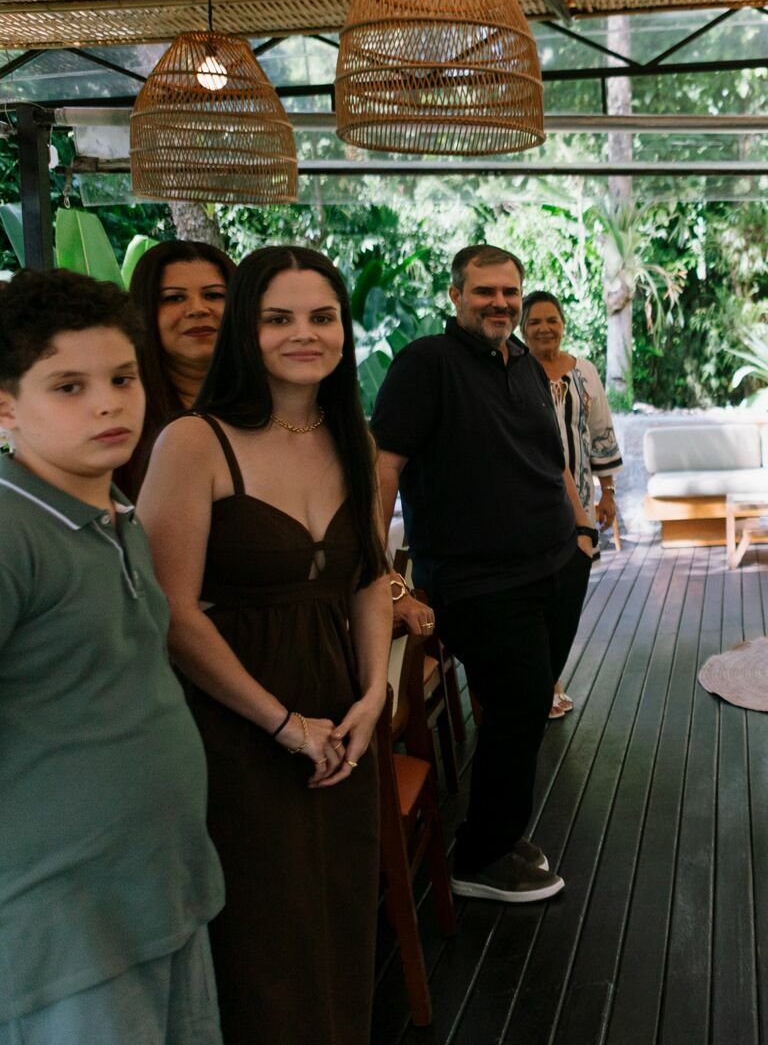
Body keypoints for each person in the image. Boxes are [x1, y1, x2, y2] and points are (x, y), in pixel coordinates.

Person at [140, 248, 389, 1044]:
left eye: (321, 317)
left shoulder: (356, 432)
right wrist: (282, 724)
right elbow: (173, 613)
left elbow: (368, 577)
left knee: (342, 915)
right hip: (236, 721)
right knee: (260, 939)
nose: (303, 335)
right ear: (247, 331)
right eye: (277, 318)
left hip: (341, 713)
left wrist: (374, 692)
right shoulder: (192, 441)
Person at [0, 269, 225, 1045]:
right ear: (4, 406)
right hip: (61, 923)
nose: (108, 402)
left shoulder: (113, 510)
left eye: (122, 378)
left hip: (157, 889)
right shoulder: (9, 532)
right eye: (68, 386)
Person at [371, 244, 593, 903]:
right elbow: (386, 470)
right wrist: (381, 573)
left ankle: (499, 832)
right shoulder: (425, 366)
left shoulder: (522, 363)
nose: (498, 302)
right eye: (483, 291)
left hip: (556, 562)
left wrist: (582, 533)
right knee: (522, 701)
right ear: (455, 296)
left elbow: (551, 462)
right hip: (477, 580)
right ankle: (481, 856)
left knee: (519, 707)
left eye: (508, 292)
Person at [523, 290, 624, 717]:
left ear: (564, 323)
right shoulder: (514, 370)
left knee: (567, 594)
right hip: (527, 505)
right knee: (535, 595)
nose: (545, 328)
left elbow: (601, 431)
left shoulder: (584, 372)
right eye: (535, 322)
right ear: (521, 328)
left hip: (579, 503)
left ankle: (550, 676)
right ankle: (543, 683)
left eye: (552, 320)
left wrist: (607, 493)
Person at [117, 240, 235, 496]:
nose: (197, 309)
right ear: (145, 312)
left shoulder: (276, 407)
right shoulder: (119, 414)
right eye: (174, 298)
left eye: (213, 295)